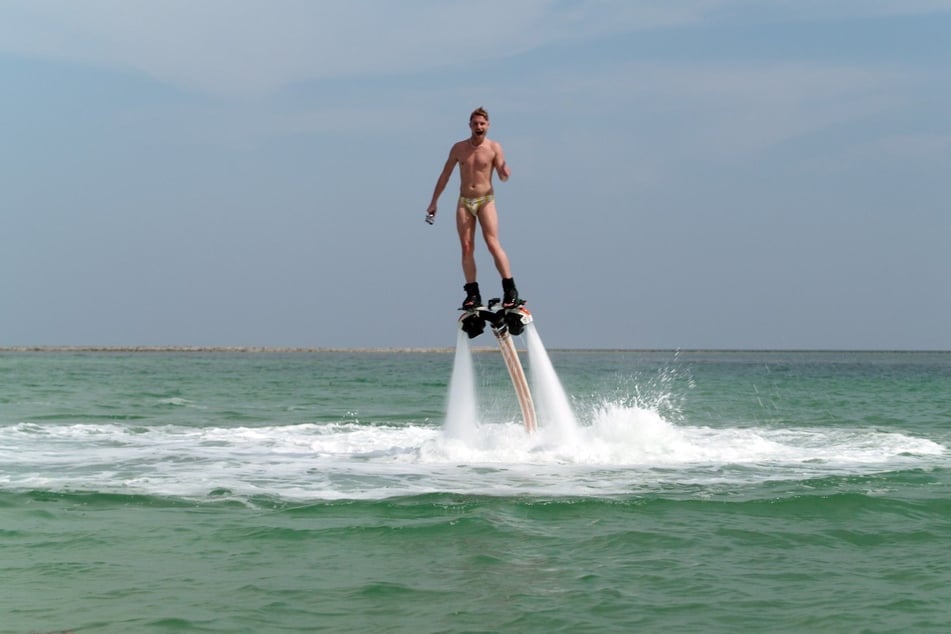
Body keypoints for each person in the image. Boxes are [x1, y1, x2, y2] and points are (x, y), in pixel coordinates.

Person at [426, 107, 521, 310]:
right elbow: (445, 175)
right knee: (467, 247)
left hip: (485, 200)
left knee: (492, 244)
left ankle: (510, 289)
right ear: (470, 125)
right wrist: (434, 201)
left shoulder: (494, 147)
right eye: (475, 123)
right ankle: (472, 293)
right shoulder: (459, 148)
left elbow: (503, 176)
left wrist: (505, 171)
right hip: (464, 201)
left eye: (482, 124)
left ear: (488, 126)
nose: (479, 127)